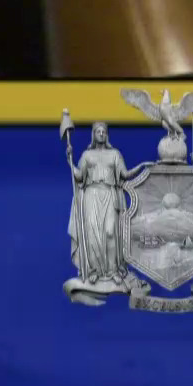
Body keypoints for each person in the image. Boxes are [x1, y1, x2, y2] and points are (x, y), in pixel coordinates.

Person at [67, 122, 133, 287]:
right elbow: (80, 177)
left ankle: (113, 271)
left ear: (107, 135)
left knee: (110, 232)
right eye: (98, 131)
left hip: (109, 194)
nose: (101, 134)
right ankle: (94, 271)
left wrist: (142, 167)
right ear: (94, 135)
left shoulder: (115, 154)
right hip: (92, 195)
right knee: (92, 234)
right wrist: (70, 162)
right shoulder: (87, 155)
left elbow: (125, 174)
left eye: (104, 131)